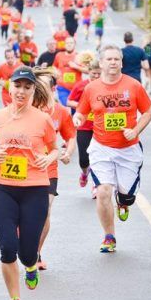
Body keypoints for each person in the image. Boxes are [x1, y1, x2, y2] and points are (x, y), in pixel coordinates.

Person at [0, 68, 58, 300]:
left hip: (35, 189)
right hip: (4, 189)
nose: (21, 91)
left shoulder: (42, 119)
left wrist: (48, 158)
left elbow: (55, 148)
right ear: (9, 88)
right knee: (7, 248)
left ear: (34, 91)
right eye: (18, 86)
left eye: (27, 87)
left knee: (26, 252)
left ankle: (31, 265)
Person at [73, 45, 151, 252]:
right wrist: (77, 118)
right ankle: (109, 236)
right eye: (109, 59)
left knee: (127, 196)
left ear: (122, 62)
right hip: (101, 148)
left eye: (117, 59)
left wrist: (135, 130)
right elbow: (81, 112)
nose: (113, 62)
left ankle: (123, 201)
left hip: (128, 149)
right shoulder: (92, 88)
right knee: (103, 192)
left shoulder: (133, 85)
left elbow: (148, 112)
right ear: (101, 63)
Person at [32, 68, 76, 271]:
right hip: (26, 169)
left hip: (49, 169)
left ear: (52, 88)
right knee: (26, 215)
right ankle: (25, 244)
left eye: (42, 86)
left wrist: (68, 153)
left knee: (44, 212)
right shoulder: (27, 108)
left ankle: (36, 252)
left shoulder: (61, 111)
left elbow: (70, 136)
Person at [67, 61, 102, 198]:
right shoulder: (81, 86)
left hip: (100, 127)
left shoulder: (103, 86)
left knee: (97, 158)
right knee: (84, 160)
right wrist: (84, 106)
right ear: (88, 72)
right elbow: (69, 101)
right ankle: (84, 172)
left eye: (99, 74)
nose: (96, 77)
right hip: (84, 126)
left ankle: (95, 185)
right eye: (94, 74)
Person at [53, 37, 88, 106]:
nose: (69, 45)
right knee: (65, 103)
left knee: (74, 111)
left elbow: (88, 70)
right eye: (67, 43)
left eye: (71, 43)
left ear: (75, 44)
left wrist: (76, 67)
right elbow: (54, 66)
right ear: (65, 45)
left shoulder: (79, 56)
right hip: (62, 87)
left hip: (77, 88)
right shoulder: (59, 55)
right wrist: (55, 72)